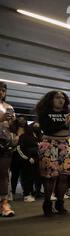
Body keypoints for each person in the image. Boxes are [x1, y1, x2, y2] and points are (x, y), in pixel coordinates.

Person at [36, 91, 70, 216]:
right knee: (50, 176)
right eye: (57, 97)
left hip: (64, 145)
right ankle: (47, 203)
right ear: (51, 100)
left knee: (64, 176)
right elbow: (47, 129)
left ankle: (60, 203)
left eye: (63, 98)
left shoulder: (67, 114)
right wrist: (65, 123)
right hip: (50, 144)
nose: (61, 100)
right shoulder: (44, 113)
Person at [0, 81, 15, 217]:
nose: (1, 91)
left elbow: (10, 126)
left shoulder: (8, 107)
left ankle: (4, 202)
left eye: (4, 89)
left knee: (4, 173)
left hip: (4, 142)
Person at [17, 122, 40, 202]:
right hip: (27, 160)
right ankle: (26, 194)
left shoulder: (38, 136)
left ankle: (33, 192)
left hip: (37, 160)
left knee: (35, 178)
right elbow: (19, 148)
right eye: (35, 126)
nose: (37, 127)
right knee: (27, 177)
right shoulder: (24, 136)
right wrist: (28, 158)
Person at [9, 115, 28, 199]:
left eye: (23, 119)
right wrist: (18, 137)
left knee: (25, 174)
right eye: (20, 119)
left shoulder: (28, 130)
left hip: (26, 154)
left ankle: (26, 192)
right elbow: (13, 143)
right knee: (15, 174)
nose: (22, 121)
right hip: (16, 154)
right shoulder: (13, 130)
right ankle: (13, 191)